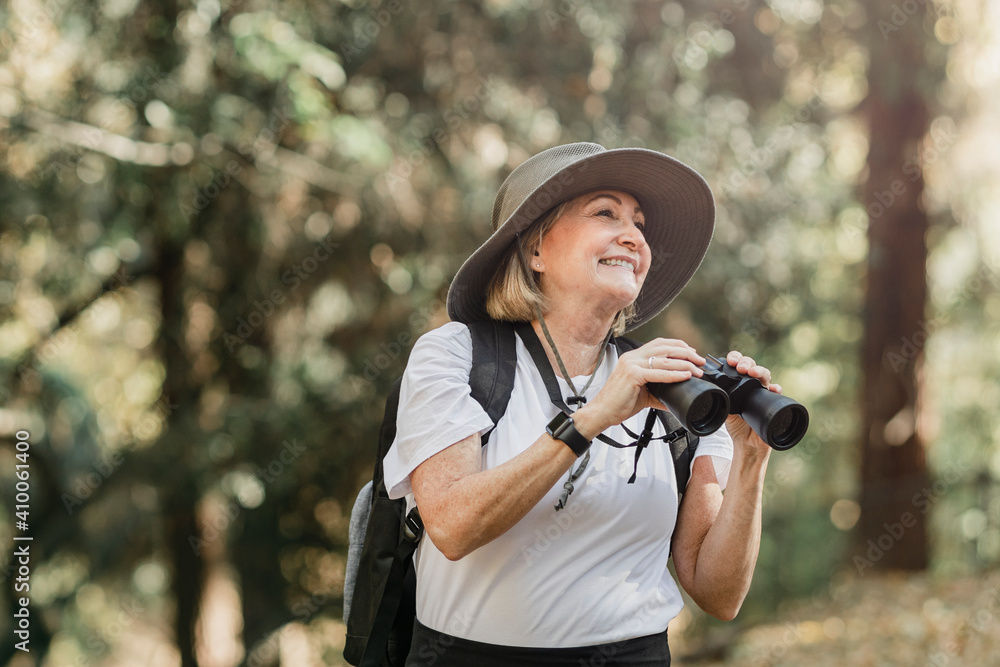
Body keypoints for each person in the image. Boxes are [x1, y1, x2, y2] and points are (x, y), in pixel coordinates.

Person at [382, 142, 780, 666]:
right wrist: (591, 418)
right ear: (535, 251)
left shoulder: (679, 384)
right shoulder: (457, 354)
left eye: (638, 223)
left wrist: (751, 458)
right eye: (605, 213)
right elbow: (453, 528)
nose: (633, 235)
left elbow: (718, 595)